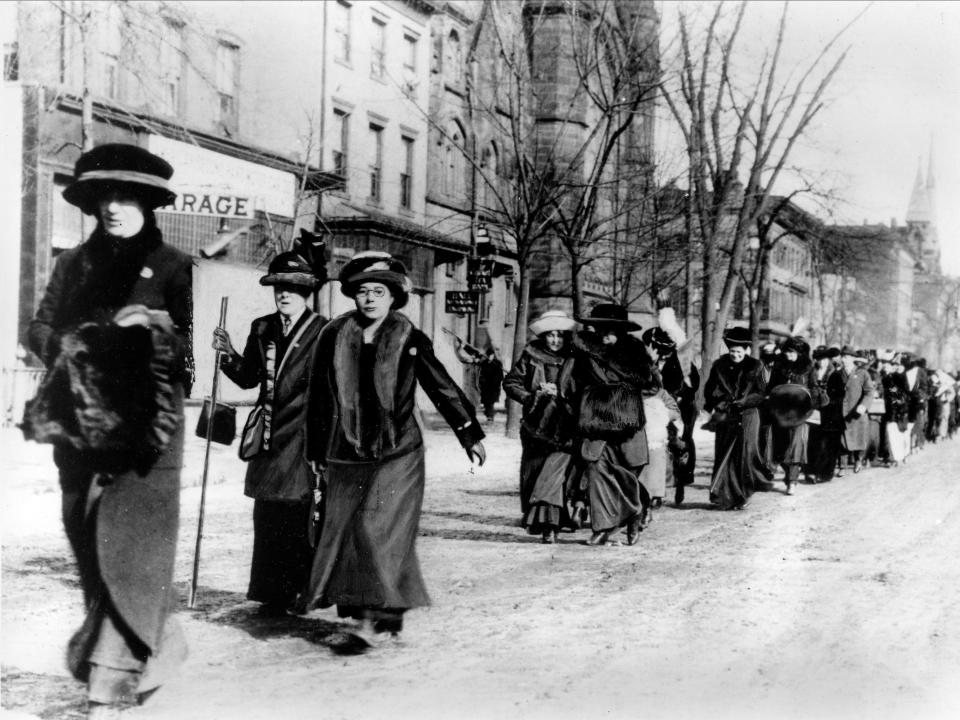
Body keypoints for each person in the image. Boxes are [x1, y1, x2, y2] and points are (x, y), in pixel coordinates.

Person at [25, 144, 191, 719]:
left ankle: (109, 681)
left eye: (126, 197)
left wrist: (151, 331)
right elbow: (40, 325)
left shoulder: (171, 265)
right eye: (104, 199)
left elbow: (186, 354)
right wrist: (74, 346)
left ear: (148, 202)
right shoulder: (72, 263)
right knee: (91, 549)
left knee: (133, 549)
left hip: (150, 430)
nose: (114, 208)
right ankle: (155, 646)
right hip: (79, 424)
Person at [305, 251, 486, 650]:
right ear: (354, 296)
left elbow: (440, 385)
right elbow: (318, 398)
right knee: (351, 532)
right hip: (346, 450)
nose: (370, 299)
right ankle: (377, 615)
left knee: (378, 529)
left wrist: (468, 433)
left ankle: (374, 619)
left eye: (379, 292)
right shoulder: (334, 335)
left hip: (398, 450)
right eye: (364, 292)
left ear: (393, 297)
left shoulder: (408, 337)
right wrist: (315, 449)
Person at [212, 251, 326, 616]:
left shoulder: (324, 331)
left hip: (305, 433)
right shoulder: (262, 327)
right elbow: (248, 377)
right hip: (267, 432)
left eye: (292, 288)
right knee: (267, 512)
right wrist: (227, 353)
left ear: (305, 292)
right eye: (279, 287)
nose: (284, 294)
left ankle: (301, 591)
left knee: (298, 510)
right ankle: (269, 591)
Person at [569, 304, 660, 546]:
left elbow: (652, 385)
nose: (604, 334)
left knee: (628, 473)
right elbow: (573, 383)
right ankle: (603, 526)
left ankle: (634, 515)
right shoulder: (584, 352)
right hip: (596, 421)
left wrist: (626, 389)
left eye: (610, 330)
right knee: (596, 468)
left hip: (628, 424)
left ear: (621, 331)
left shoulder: (636, 353)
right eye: (600, 329)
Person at [502, 310, 580, 542]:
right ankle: (542, 519)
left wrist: (564, 394)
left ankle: (551, 525)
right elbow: (511, 383)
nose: (555, 340)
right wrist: (532, 395)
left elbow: (584, 389)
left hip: (565, 426)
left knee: (553, 475)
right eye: (550, 335)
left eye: (560, 335)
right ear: (543, 336)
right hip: (535, 426)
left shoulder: (574, 358)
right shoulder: (531, 354)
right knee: (533, 474)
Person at [703, 327, 772, 510]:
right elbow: (710, 390)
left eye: (739, 352)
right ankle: (724, 495)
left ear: (747, 350)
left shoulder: (756, 366)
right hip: (727, 415)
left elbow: (761, 392)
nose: (735, 355)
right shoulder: (719, 366)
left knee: (745, 454)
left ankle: (744, 494)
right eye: (732, 351)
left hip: (749, 415)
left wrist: (744, 402)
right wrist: (718, 403)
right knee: (725, 454)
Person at [640, 307, 699, 506]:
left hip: (678, 406)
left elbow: (690, 385)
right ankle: (655, 488)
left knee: (678, 444)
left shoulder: (679, 362)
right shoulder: (646, 363)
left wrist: (683, 391)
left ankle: (679, 482)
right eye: (655, 349)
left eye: (662, 351)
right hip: (653, 407)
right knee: (654, 446)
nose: (659, 354)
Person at [766, 336, 817, 495]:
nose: (789, 355)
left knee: (796, 445)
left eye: (793, 353)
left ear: (800, 353)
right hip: (781, 412)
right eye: (787, 352)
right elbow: (771, 387)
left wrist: (813, 400)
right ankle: (788, 474)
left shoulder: (808, 368)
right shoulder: (779, 367)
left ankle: (792, 481)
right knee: (780, 447)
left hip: (800, 412)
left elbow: (814, 387)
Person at [836, 346, 875, 473]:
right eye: (842, 356)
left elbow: (869, 392)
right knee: (842, 440)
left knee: (859, 438)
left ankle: (858, 460)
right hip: (842, 412)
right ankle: (842, 466)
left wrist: (864, 405)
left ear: (853, 358)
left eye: (846, 357)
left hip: (857, 413)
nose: (843, 359)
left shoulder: (862, 373)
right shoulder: (837, 374)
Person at [881, 352, 911, 467]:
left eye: (900, 365)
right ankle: (895, 457)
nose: (897, 367)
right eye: (896, 364)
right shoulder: (891, 377)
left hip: (901, 410)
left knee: (900, 434)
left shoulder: (904, 378)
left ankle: (902, 455)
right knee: (892, 433)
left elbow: (904, 395)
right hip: (891, 409)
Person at [478, 347, 505, 422]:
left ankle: (490, 416)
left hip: (493, 386)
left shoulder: (497, 363)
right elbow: (481, 374)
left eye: (491, 355)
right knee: (486, 402)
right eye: (488, 355)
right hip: (485, 386)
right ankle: (488, 414)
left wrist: (496, 382)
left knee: (491, 402)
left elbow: (500, 376)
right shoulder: (484, 363)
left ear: (493, 355)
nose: (489, 356)